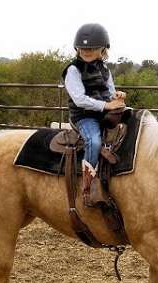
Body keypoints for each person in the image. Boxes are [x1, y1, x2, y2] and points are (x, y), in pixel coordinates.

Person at [62, 23, 126, 206]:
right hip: (84, 116)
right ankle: (89, 186)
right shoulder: (73, 70)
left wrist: (117, 96)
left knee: (135, 123)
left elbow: (110, 91)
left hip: (103, 112)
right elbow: (80, 99)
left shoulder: (105, 69)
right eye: (82, 47)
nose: (86, 50)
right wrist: (106, 105)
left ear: (103, 49)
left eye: (91, 48)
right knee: (95, 141)